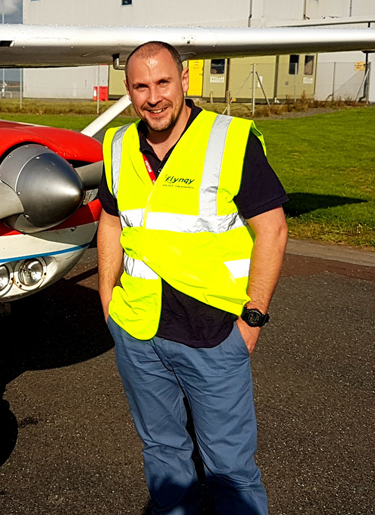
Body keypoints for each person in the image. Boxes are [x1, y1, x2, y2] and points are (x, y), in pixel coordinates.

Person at [97, 41, 288, 515]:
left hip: (215, 334)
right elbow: (110, 220)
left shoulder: (230, 139)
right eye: (141, 86)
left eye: (163, 82)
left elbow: (273, 229)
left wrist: (253, 318)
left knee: (230, 470)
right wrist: (107, 298)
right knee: (163, 457)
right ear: (129, 90)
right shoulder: (119, 146)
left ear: (184, 81)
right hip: (139, 332)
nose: (153, 96)